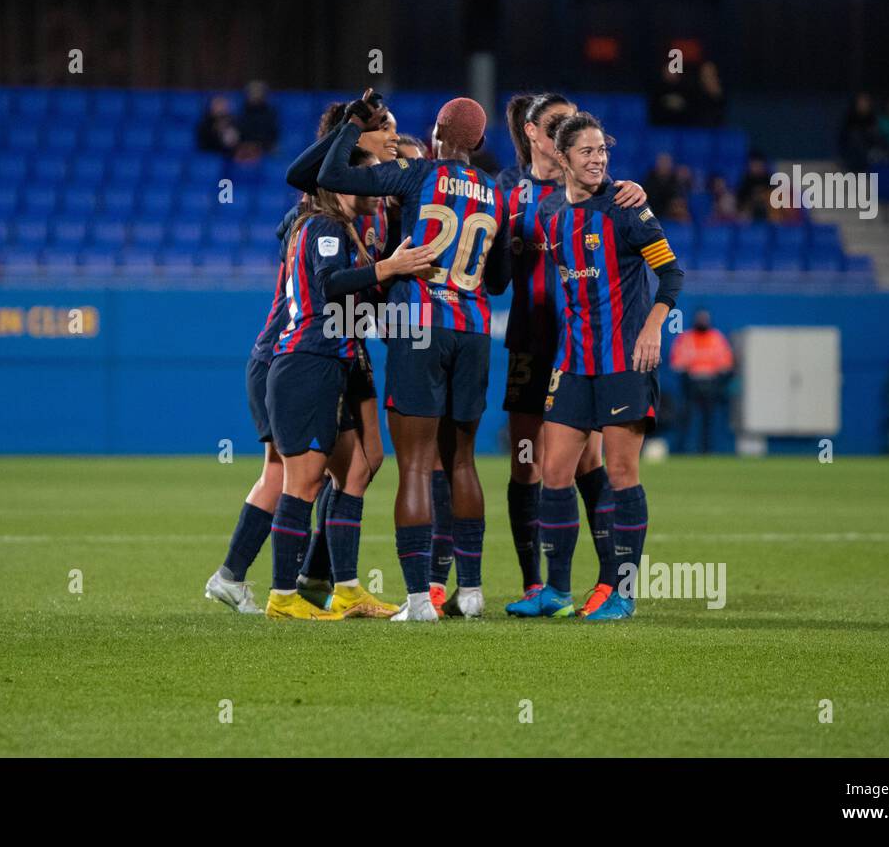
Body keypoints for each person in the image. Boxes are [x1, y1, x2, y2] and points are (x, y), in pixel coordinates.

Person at [317, 93, 510, 622]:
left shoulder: (416, 173)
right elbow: (499, 277)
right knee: (463, 461)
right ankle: (470, 592)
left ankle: (421, 600)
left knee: (417, 467)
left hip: (419, 323)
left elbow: (334, 175)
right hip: (473, 329)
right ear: (480, 143)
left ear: (438, 135)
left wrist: (352, 126)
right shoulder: (496, 192)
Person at [263, 143, 436, 620]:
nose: (375, 187)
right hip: (306, 362)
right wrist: (390, 267)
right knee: (304, 481)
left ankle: (347, 589)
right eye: (368, 176)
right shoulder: (321, 226)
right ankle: (282, 597)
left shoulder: (341, 228)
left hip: (330, 363)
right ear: (341, 183)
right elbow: (331, 284)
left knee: (356, 468)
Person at [522, 111, 684, 622]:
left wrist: (654, 325)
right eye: (587, 151)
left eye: (602, 151)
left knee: (621, 474)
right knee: (552, 474)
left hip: (623, 363)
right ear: (563, 157)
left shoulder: (629, 208)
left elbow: (672, 274)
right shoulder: (548, 215)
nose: (597, 160)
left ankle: (624, 592)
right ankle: (557, 590)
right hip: (572, 364)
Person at [498, 93, 647, 612]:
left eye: (590, 142)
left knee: (590, 464)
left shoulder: (606, 197)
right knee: (529, 465)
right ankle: (536, 584)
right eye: (558, 125)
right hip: (531, 342)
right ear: (537, 135)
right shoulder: (507, 191)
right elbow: (495, 273)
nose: (586, 150)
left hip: (590, 348)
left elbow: (658, 262)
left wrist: (632, 192)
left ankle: (612, 582)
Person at [669, 310, 734, 454]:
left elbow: (726, 362)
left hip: (711, 384)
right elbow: (676, 362)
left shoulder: (716, 338)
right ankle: (682, 450)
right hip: (691, 384)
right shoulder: (686, 338)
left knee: (708, 420)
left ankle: (706, 450)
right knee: (687, 419)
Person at [236, 80, 279, 159]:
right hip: (246, 147)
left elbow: (271, 133)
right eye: (252, 92)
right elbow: (240, 132)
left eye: (257, 91)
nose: (255, 94)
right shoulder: (242, 113)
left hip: (264, 147)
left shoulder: (269, 113)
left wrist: (258, 145)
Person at [839, 92, 880, 171]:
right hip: (852, 158)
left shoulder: (872, 119)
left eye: (865, 102)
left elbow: (875, 138)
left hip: (869, 157)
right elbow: (843, 140)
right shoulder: (850, 118)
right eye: (861, 102)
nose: (863, 104)